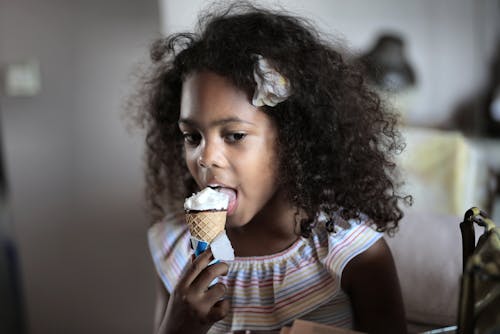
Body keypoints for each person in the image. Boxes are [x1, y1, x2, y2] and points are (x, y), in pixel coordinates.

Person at [134, 2, 410, 333]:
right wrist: (178, 327)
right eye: (192, 137)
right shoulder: (177, 249)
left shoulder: (354, 255)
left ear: (292, 139)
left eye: (234, 135)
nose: (205, 158)